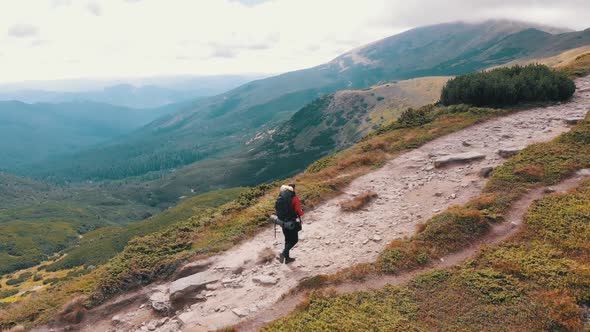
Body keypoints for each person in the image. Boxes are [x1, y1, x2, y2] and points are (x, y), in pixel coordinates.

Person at [274, 183, 304, 264]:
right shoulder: (294, 198)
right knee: (294, 240)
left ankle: (287, 259)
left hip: (283, 223)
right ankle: (283, 254)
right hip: (291, 223)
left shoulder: (280, 198)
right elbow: (299, 212)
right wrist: (301, 212)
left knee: (287, 240)